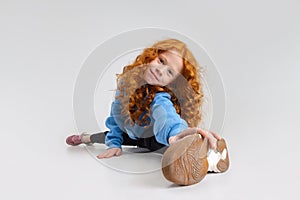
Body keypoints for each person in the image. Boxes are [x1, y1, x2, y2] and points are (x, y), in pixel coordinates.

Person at [66, 39, 229, 176]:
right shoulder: (126, 84)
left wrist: (178, 132)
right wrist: (114, 143)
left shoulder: (160, 97)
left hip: (153, 138)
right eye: (161, 61)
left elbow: (166, 116)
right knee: (105, 136)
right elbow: (116, 114)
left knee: (171, 148)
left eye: (170, 72)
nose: (160, 70)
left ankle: (208, 159)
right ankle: (85, 138)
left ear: (172, 83)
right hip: (129, 133)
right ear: (151, 56)